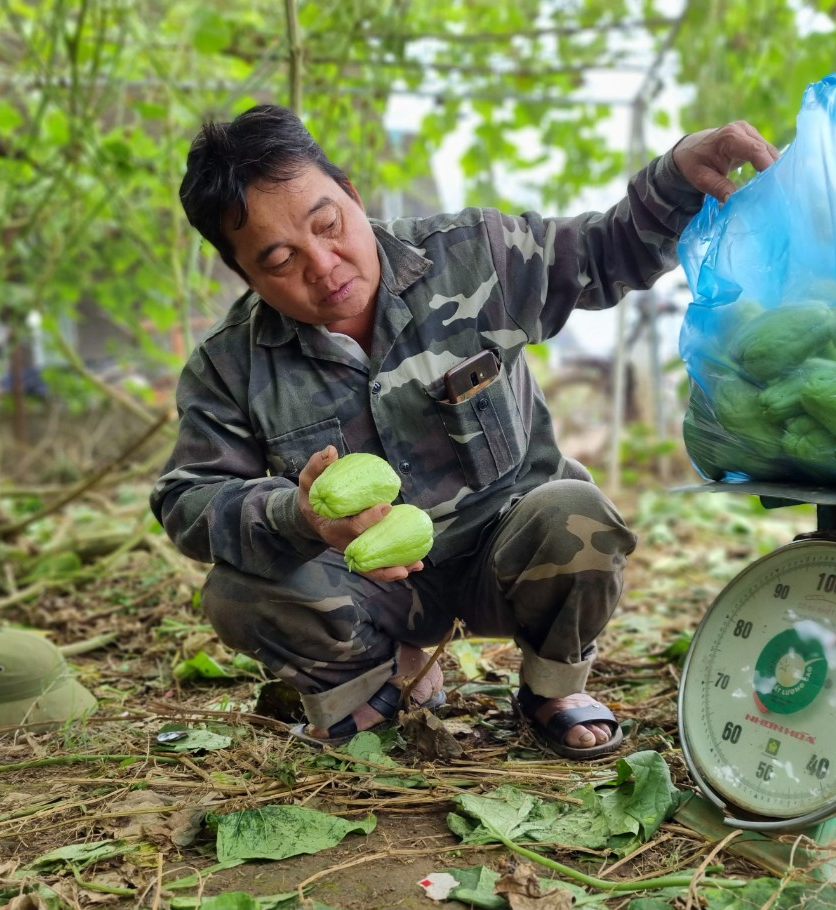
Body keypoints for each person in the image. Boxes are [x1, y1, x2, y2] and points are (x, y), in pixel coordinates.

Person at [150, 104, 778, 759]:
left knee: (578, 515)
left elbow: (603, 252)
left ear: (353, 197)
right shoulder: (230, 364)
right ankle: (377, 680)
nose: (323, 264)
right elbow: (187, 499)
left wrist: (679, 176)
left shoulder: (473, 256)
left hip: (505, 560)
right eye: (280, 258)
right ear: (244, 273)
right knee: (235, 592)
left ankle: (550, 689)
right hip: (367, 590)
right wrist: (297, 515)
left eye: (328, 224)